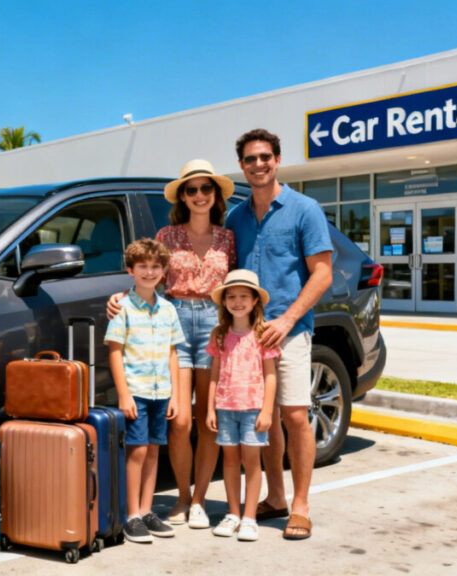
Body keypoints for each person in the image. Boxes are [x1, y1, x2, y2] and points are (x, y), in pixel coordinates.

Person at [109, 159, 236, 529]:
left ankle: (199, 501)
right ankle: (181, 496)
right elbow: (148, 278)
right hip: (174, 321)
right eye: (191, 189)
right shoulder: (166, 235)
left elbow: (238, 287)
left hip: (215, 323)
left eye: (206, 188)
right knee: (179, 420)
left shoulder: (228, 238)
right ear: (183, 195)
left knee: (207, 421)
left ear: (215, 195)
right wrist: (120, 296)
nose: (199, 195)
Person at [225, 129, 333, 540]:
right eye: (250, 159)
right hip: (246, 336)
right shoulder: (236, 217)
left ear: (278, 159)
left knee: (293, 414)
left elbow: (321, 272)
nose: (258, 165)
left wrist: (287, 320)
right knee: (261, 421)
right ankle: (275, 497)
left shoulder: (305, 209)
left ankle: (301, 505)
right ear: (241, 165)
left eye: (265, 157)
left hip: (289, 332)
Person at [104, 238, 186, 544]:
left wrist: (176, 395)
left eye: (155, 267)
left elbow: (172, 354)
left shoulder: (168, 310)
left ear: (164, 271)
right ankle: (132, 515)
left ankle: (148, 510)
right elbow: (115, 351)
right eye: (143, 267)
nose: (149, 272)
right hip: (136, 391)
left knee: (153, 450)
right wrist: (124, 394)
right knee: (137, 451)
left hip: (161, 392)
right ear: (130, 270)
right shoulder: (122, 308)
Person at [204, 269, 278, 542]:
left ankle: (249, 518)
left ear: (255, 300)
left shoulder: (262, 334)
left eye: (243, 296)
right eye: (231, 296)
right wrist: (211, 408)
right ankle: (233, 513)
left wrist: (267, 410)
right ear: (223, 301)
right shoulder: (219, 335)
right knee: (230, 462)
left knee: (252, 462)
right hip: (225, 408)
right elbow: (214, 374)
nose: (237, 301)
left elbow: (271, 374)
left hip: (253, 409)